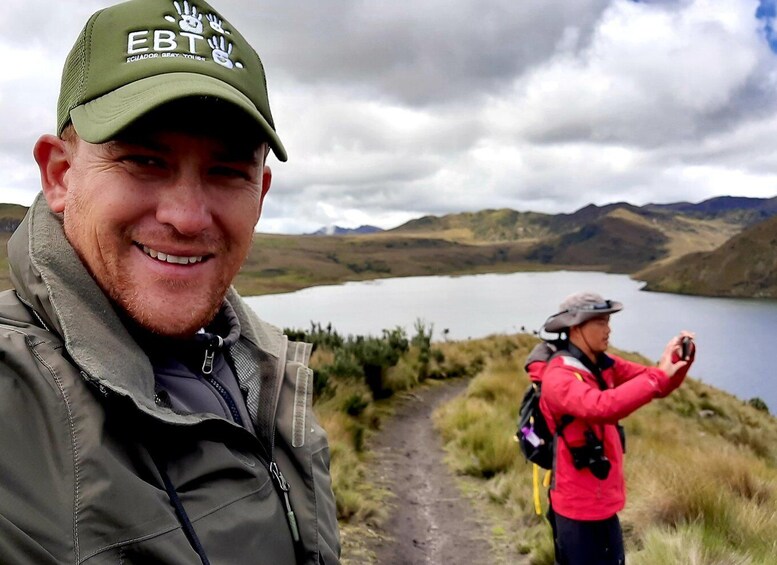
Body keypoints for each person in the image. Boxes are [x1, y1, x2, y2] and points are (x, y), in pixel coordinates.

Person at [0, 0, 340, 563]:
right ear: (60, 175)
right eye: (143, 161)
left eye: (227, 171)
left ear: (261, 195)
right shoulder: (15, 397)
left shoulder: (266, 367)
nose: (187, 216)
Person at [533, 291, 694, 565]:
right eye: (600, 322)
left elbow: (656, 383)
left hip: (605, 502)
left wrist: (677, 361)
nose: (609, 330)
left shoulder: (603, 365)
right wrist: (659, 375)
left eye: (608, 322)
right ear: (576, 327)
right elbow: (602, 406)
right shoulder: (558, 377)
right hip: (575, 509)